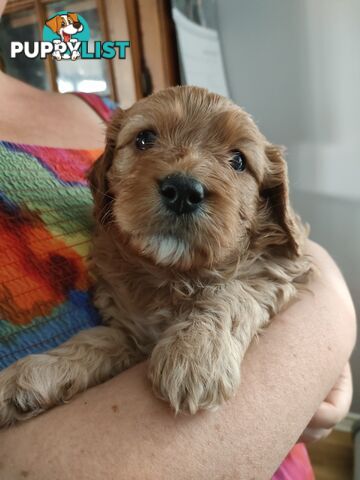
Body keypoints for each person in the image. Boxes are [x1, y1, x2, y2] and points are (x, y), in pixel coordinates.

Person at [0, 14, 356, 480]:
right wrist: (325, 328)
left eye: (235, 160)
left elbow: (297, 257)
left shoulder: (96, 106)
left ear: (270, 201)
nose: (184, 181)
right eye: (146, 140)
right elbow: (130, 340)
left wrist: (228, 315)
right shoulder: (116, 262)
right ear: (103, 179)